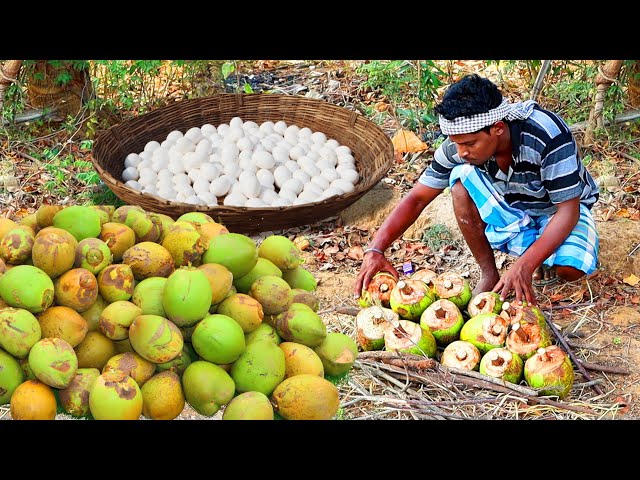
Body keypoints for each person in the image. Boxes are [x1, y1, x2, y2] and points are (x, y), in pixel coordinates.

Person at [353, 74, 600, 306]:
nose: (462, 152)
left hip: (557, 211)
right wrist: (375, 249)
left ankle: (539, 257)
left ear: (498, 128)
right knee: (460, 180)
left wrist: (524, 265)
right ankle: (489, 273)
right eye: (456, 143)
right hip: (512, 211)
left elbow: (568, 211)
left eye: (470, 143)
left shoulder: (546, 135)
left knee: (570, 271)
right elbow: (417, 199)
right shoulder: (459, 145)